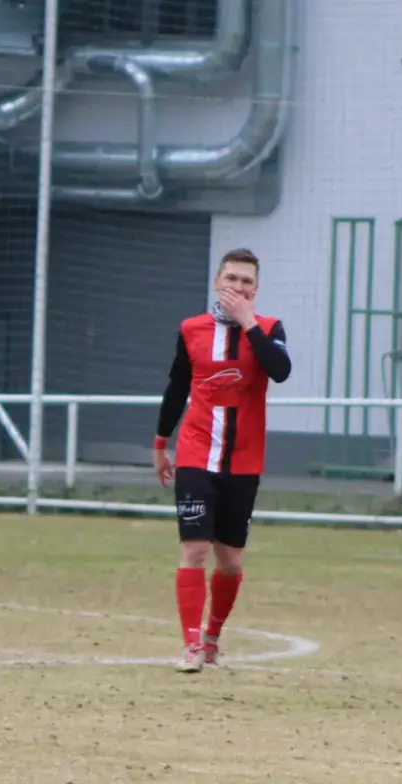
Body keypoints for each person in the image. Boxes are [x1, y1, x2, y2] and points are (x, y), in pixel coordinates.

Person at [153, 247, 292, 672]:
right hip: (196, 451)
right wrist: (161, 443)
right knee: (194, 549)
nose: (237, 287)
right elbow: (177, 386)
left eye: (246, 281)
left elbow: (280, 369)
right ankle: (191, 645)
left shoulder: (268, 328)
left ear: (256, 289)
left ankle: (213, 636)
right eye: (231, 279)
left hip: (244, 460)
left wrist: (249, 323)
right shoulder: (192, 329)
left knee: (229, 561)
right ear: (217, 282)